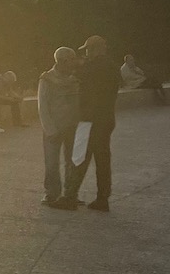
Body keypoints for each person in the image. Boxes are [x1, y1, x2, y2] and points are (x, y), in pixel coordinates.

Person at [69, 35, 117, 212]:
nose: (86, 53)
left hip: (89, 119)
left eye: (87, 50)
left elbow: (81, 84)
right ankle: (103, 198)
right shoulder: (112, 67)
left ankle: (70, 196)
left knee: (79, 157)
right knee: (103, 160)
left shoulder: (92, 67)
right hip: (106, 118)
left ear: (95, 49)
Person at [38, 47, 81, 210]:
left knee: (73, 162)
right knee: (51, 163)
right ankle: (52, 193)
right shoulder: (47, 79)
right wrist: (50, 129)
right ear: (62, 61)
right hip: (54, 127)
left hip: (73, 126)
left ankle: (70, 194)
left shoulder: (75, 78)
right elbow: (43, 106)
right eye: (71, 59)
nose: (74, 62)